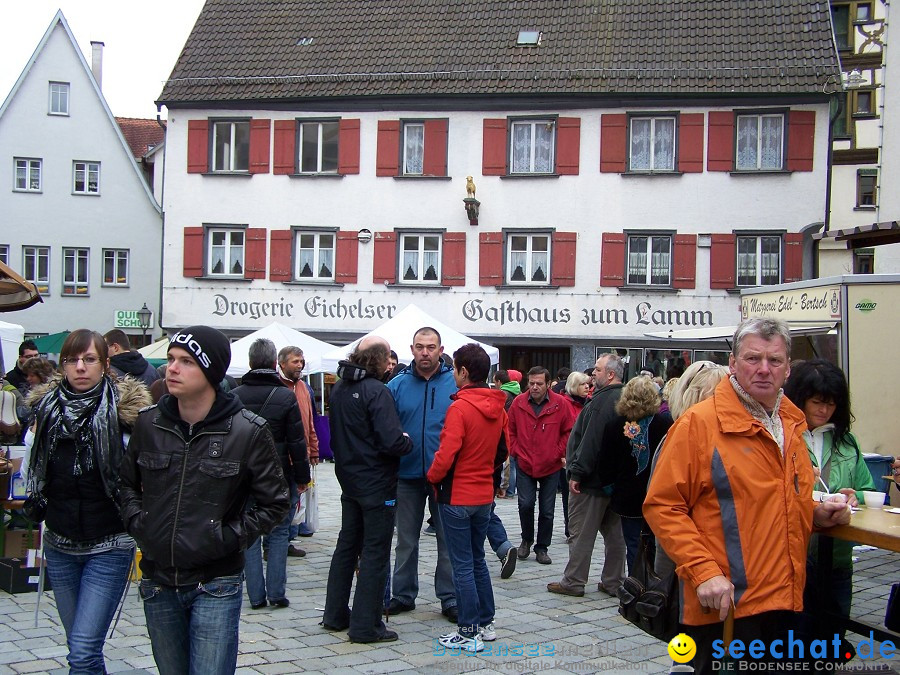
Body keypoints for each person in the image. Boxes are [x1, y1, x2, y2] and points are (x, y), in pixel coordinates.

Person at [644, 318, 852, 674]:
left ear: (788, 368)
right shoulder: (699, 424)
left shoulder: (791, 423)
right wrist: (703, 571)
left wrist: (815, 514)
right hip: (726, 606)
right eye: (753, 359)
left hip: (784, 598)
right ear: (733, 363)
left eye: (774, 361)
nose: (763, 369)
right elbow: (663, 505)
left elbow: (775, 498)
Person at [119, 326, 290, 674]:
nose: (172, 369)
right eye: (170, 360)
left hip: (216, 581)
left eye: (185, 361)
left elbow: (275, 503)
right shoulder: (148, 424)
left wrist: (226, 537)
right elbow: (125, 485)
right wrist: (142, 525)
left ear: (211, 370)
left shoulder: (248, 430)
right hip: (158, 580)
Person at [26, 329, 151, 673]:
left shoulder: (127, 417)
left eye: (89, 359)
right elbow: (33, 473)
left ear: (105, 364)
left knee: (82, 650)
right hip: (60, 543)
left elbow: (144, 480)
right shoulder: (45, 412)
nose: (80, 367)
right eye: (72, 360)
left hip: (108, 544)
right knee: (81, 648)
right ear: (63, 366)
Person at [323, 336, 412, 643]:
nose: (391, 362)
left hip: (349, 478)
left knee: (347, 545)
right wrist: (406, 440)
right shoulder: (377, 391)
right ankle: (366, 625)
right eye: (388, 357)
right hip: (376, 482)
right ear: (377, 359)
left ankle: (335, 614)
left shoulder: (339, 389)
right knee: (375, 551)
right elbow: (391, 440)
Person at [783, 359, 875, 656]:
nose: (824, 410)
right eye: (817, 402)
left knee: (832, 640)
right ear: (800, 400)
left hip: (837, 559)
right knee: (795, 642)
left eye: (831, 404)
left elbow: (867, 490)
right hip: (795, 560)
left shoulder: (846, 442)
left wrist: (853, 496)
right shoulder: (785, 437)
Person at [427, 344, 508, 653]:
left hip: (458, 495)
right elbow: (503, 449)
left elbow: (446, 454)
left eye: (456, 370)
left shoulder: (459, 408)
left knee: (462, 564)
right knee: (477, 561)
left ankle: (468, 631)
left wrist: (432, 476)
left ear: (462, 371)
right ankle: (485, 623)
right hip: (483, 496)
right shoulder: (498, 407)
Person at [386, 327, 459, 622]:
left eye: (431, 347)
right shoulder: (397, 385)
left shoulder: (453, 383)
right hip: (407, 474)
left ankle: (450, 596)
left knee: (447, 539)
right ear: (412, 349)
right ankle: (403, 593)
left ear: (441, 350)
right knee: (406, 539)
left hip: (445, 475)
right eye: (420, 347)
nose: (425, 352)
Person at [232, 338, 310, 609]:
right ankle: (276, 592)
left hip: (245, 476)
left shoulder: (236, 395)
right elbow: (296, 442)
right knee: (278, 533)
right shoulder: (285, 396)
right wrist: (302, 478)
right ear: (274, 362)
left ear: (252, 362)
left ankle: (255, 595)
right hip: (278, 474)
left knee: (249, 534)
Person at [547, 354, 627, 597]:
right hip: (615, 480)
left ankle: (574, 580)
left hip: (592, 482)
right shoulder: (625, 399)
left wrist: (577, 472)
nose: (593, 374)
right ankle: (614, 581)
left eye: (598, 370)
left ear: (610, 374)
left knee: (581, 532)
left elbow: (590, 442)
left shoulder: (601, 403)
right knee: (615, 536)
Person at [507, 366, 575, 565]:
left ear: (548, 384)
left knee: (547, 510)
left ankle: (542, 547)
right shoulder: (519, 403)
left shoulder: (560, 404)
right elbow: (509, 430)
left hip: (550, 465)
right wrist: (516, 451)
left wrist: (557, 452)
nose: (535, 387)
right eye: (531, 383)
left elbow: (568, 431)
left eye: (539, 383)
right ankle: (526, 539)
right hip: (525, 462)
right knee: (525, 504)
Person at [606, 376, 672, 572]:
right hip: (656, 491)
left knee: (633, 542)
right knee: (654, 541)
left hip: (627, 494)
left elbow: (607, 460)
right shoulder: (665, 424)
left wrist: (609, 487)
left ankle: (637, 582)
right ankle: (654, 580)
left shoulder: (615, 424)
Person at [277, 345, 320, 549]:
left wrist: (314, 449)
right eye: (295, 361)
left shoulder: (303, 387)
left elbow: (310, 421)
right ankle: (275, 543)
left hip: (301, 455)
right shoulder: (276, 387)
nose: (300, 365)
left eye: (301, 361)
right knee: (282, 503)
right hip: (281, 457)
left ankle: (288, 539)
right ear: (282, 363)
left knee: (295, 501)